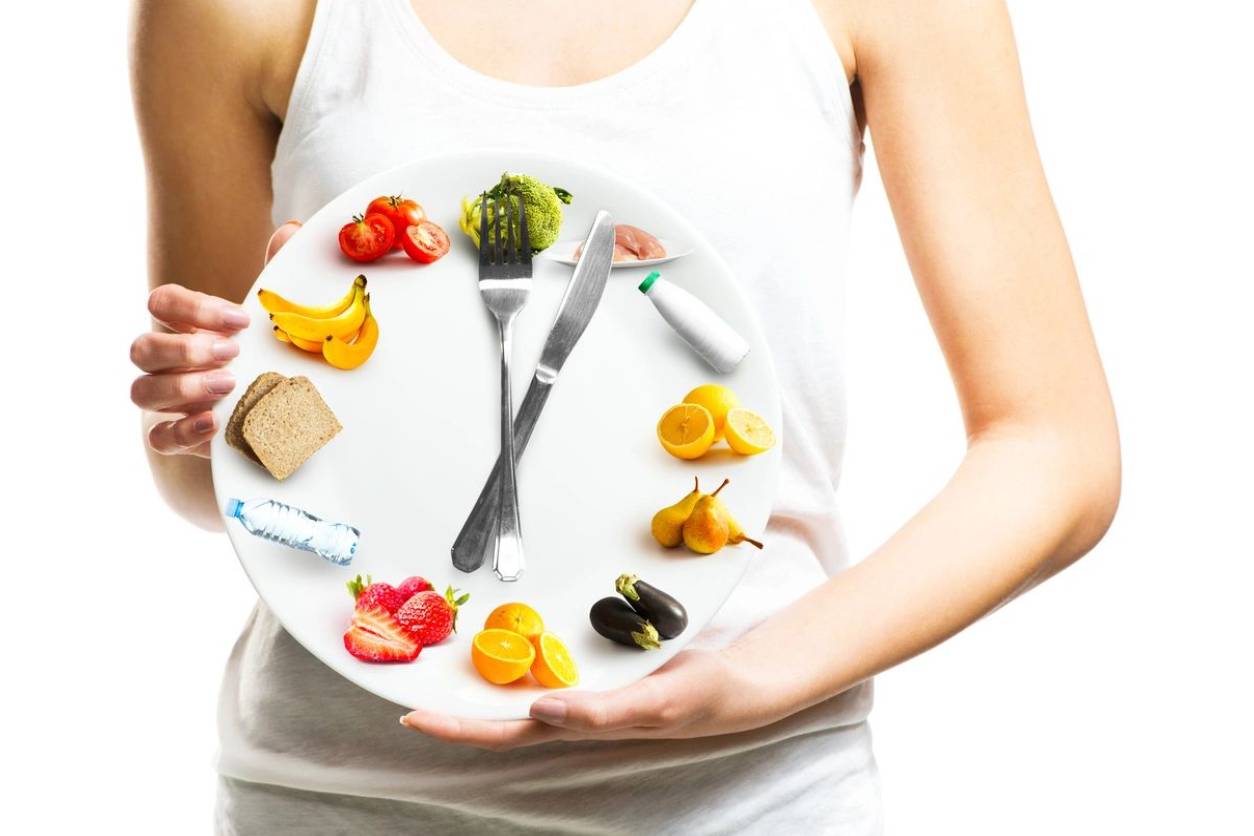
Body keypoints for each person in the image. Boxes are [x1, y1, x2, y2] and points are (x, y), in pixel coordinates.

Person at [128, 0, 1120, 832]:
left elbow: (1053, 448)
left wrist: (757, 677)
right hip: (331, 796)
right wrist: (235, 406)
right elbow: (206, 480)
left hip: (752, 794)